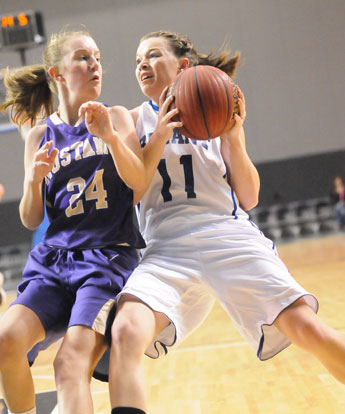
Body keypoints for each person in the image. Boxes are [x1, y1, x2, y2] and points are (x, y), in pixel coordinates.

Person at [107, 31, 345, 414]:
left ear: (184, 66)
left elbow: (249, 197)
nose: (142, 65)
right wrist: (161, 134)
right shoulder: (132, 121)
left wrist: (233, 137)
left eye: (153, 55)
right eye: (137, 60)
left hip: (227, 234)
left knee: (306, 329)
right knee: (126, 330)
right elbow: (128, 195)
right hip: (165, 250)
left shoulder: (217, 113)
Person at [0, 28, 149, 414]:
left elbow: (139, 187)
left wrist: (112, 140)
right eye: (83, 57)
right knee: (5, 341)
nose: (95, 64)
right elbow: (31, 218)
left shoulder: (116, 117)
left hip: (106, 260)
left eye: (97, 56)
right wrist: (33, 180)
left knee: (68, 365)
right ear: (57, 73)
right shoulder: (38, 136)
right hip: (53, 262)